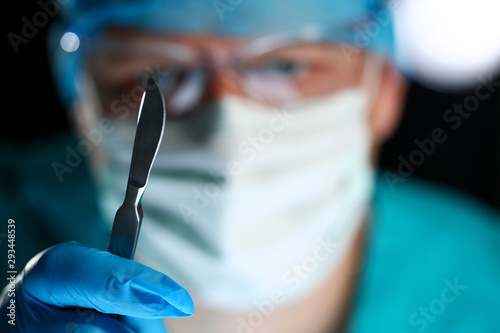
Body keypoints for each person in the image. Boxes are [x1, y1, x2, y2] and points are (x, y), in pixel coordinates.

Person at [1, 0, 500, 332]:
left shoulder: (480, 276)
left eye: (286, 65)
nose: (226, 120)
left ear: (385, 90)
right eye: (163, 71)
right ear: (82, 101)